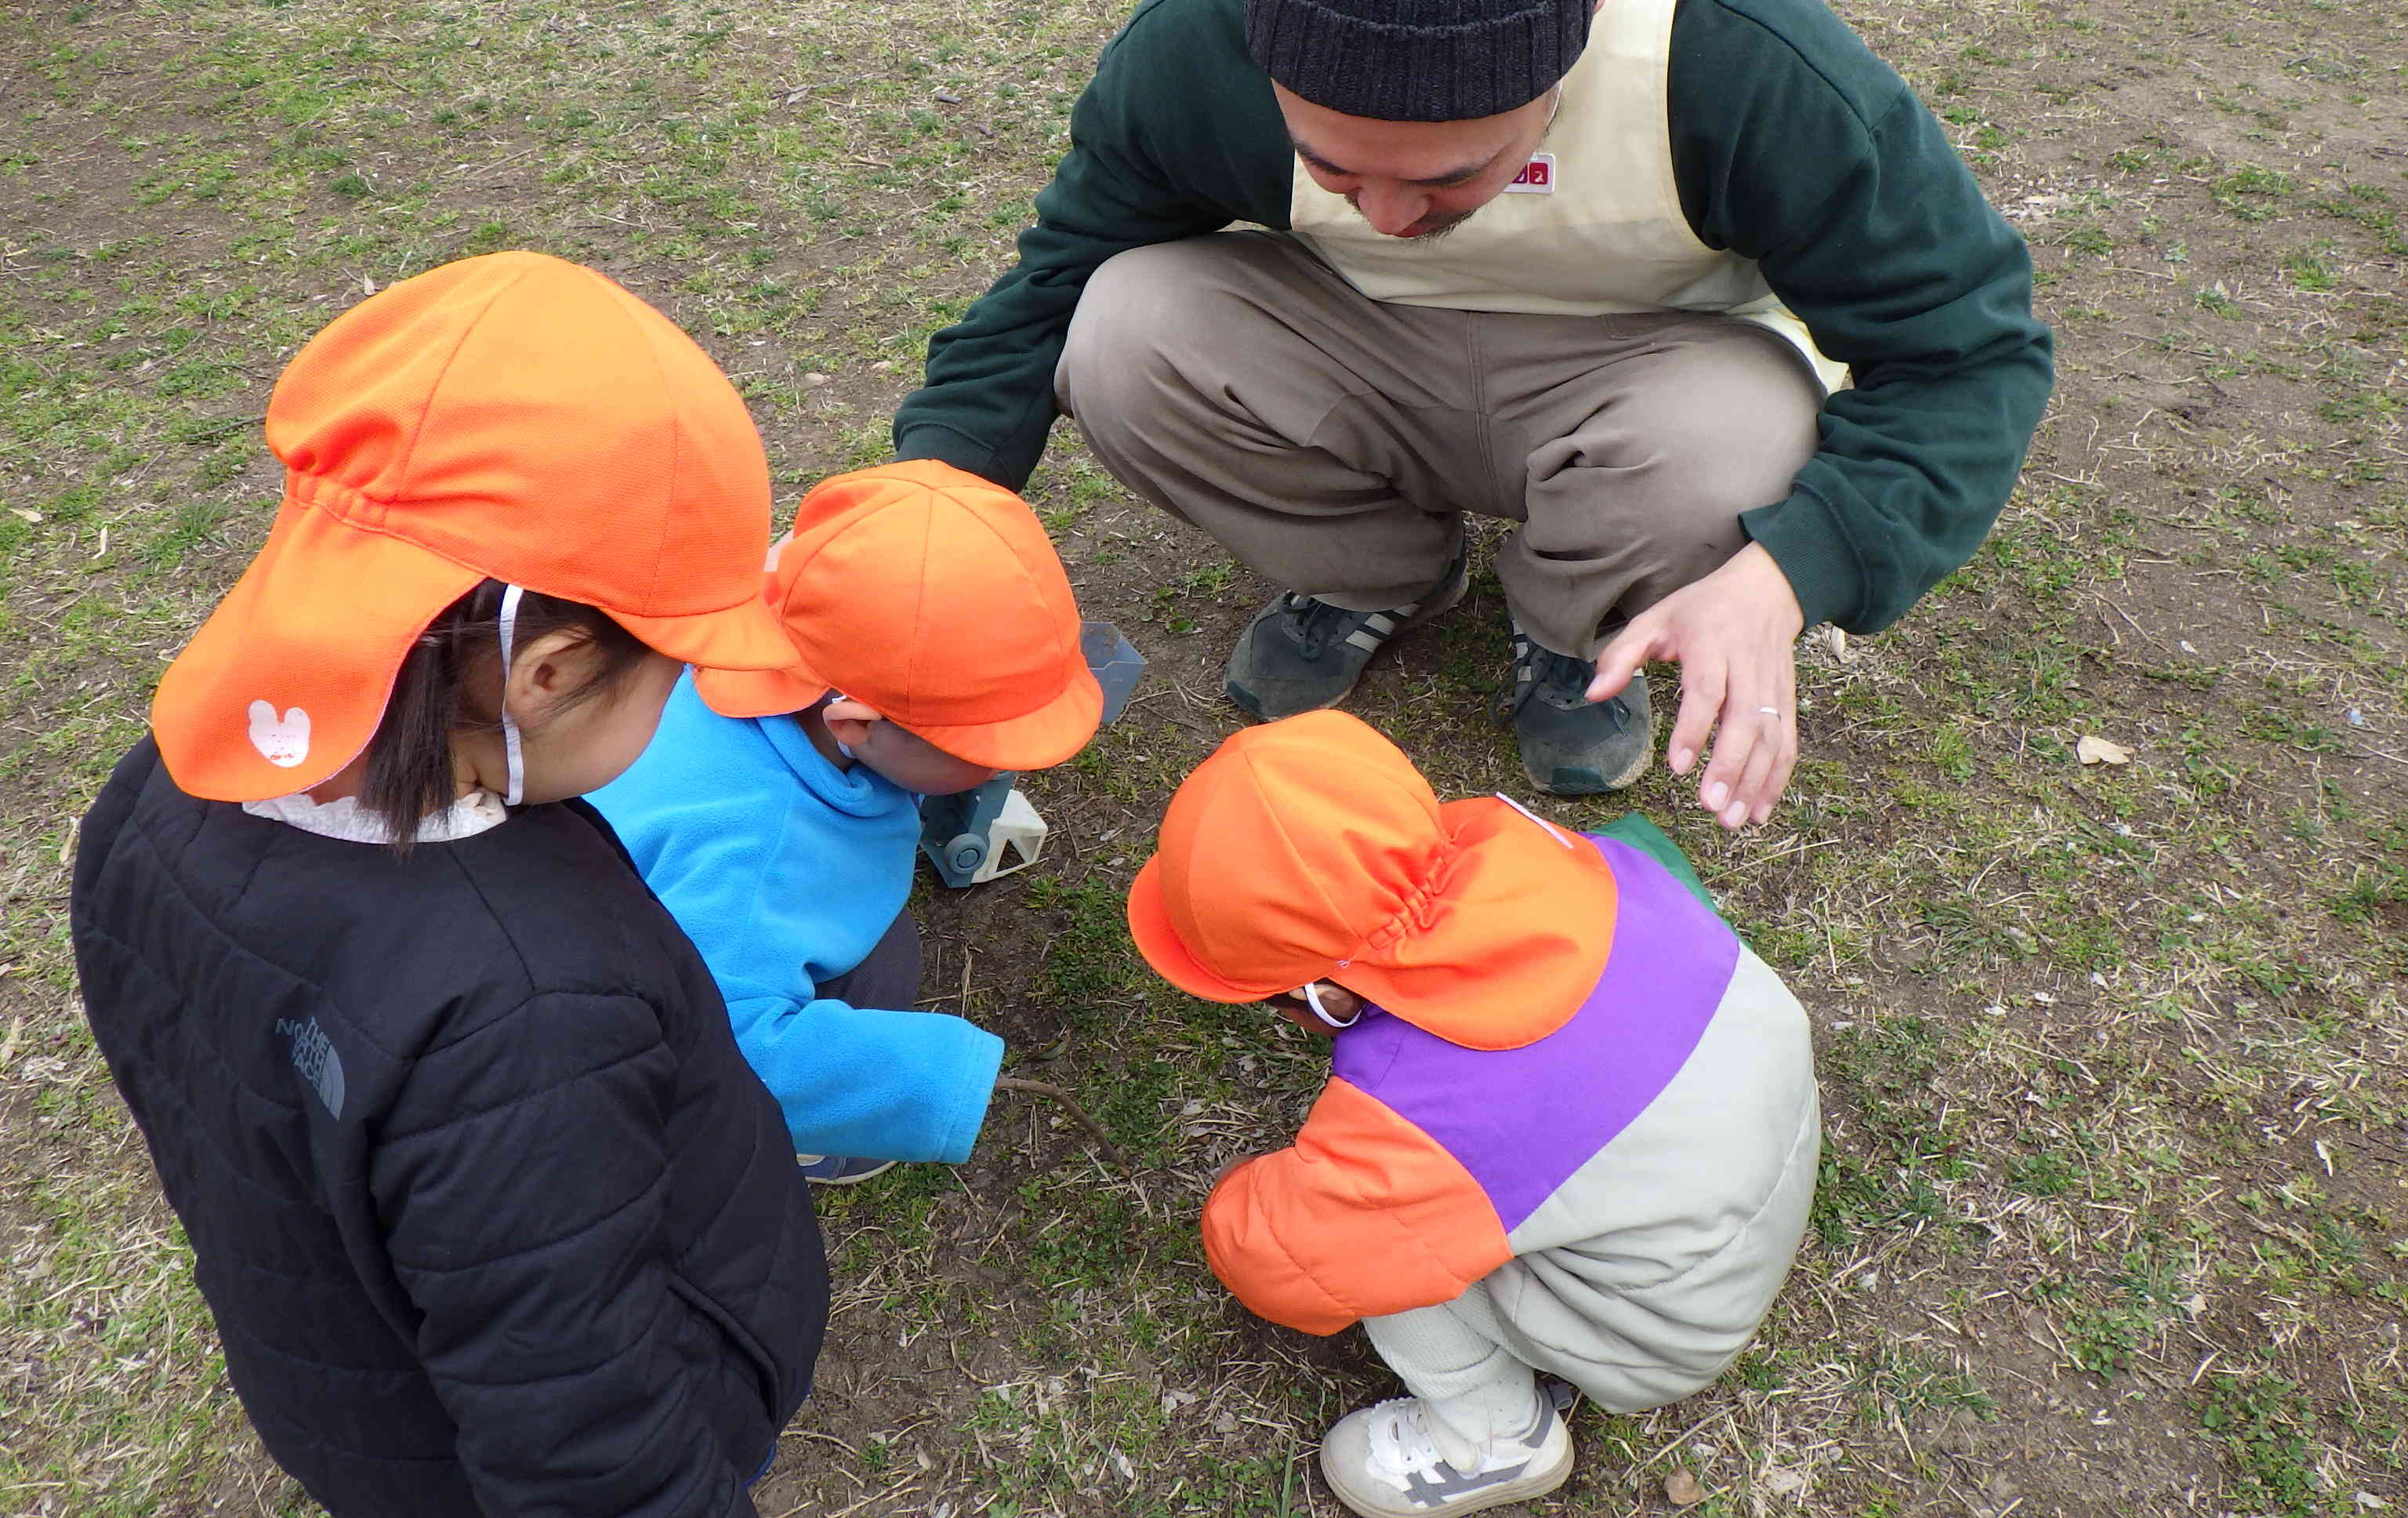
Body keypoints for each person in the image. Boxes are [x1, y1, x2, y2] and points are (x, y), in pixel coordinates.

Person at [895, 0, 2051, 815]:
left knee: (1738, 450)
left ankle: (1572, 627)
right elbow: (1054, 280)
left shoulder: (1732, 52)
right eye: (1335, 167)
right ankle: (1375, 572)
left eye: (1450, 173)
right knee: (1119, 332)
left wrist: (1793, 571)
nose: (1390, 214)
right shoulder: (1198, 47)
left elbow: (1968, 350)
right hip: (1361, 347)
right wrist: (912, 513)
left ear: (1576, 40)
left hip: (1656, 377)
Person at [70, 252, 829, 1518]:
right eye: (675, 667)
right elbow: (594, 1451)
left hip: (349, 1385)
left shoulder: (151, 790)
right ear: (549, 670)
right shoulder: (527, 1001)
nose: (686, 692)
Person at [1126, 712, 1819, 1518]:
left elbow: (1282, 1262)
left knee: (1381, 1245)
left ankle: (1495, 1439)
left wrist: (1260, 1195)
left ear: (1327, 995)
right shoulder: (1559, 854)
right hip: (1765, 1150)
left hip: (1666, 1325)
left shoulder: (1421, 1112)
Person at [589, 459, 1102, 1185]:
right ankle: (818, 1148)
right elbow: (718, 1044)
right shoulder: (759, 850)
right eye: (980, 751)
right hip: (642, 962)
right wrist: (930, 1082)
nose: (1002, 767)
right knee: (879, 966)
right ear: (857, 721)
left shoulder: (787, 609)